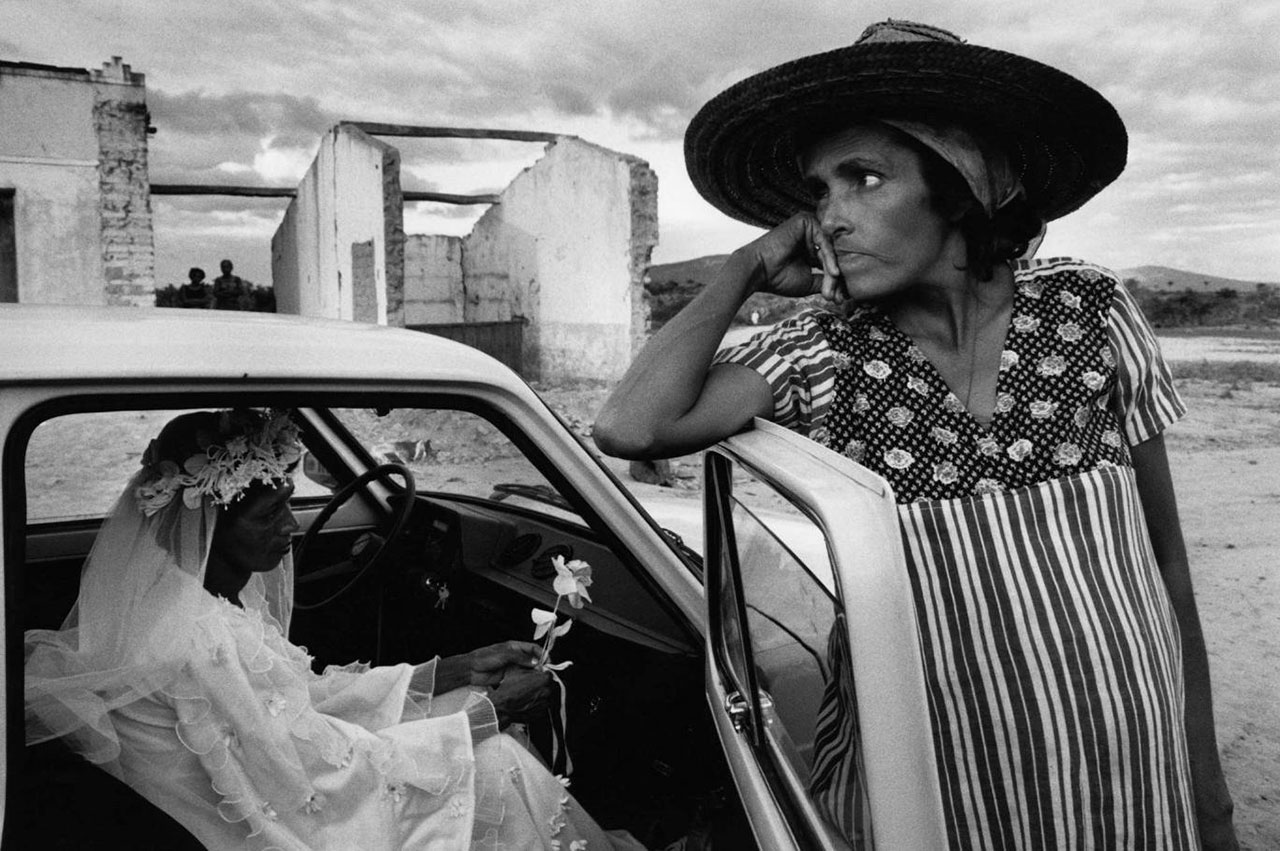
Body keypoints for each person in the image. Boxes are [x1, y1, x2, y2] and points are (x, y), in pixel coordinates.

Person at [594, 19, 1238, 851]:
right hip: (937, 785)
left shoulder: (1089, 311)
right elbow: (632, 423)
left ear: (960, 185)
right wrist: (746, 266)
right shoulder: (823, 351)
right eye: (820, 193)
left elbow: (1167, 563)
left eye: (864, 179)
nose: (831, 218)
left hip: (1125, 766)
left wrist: (1208, 793)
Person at [25, 408, 645, 850]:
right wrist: (486, 714)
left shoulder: (198, 597)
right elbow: (306, 773)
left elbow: (296, 700)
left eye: (289, 506)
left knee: (470, 714)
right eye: (270, 515)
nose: (291, 529)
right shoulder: (199, 634)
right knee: (498, 755)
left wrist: (453, 672)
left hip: (277, 775)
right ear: (210, 522)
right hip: (278, 820)